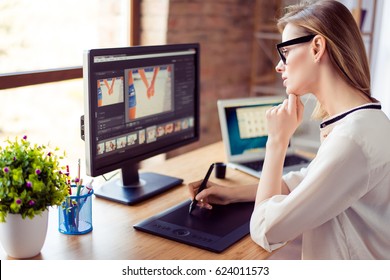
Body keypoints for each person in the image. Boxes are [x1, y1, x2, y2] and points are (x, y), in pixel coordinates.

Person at [188, 0, 390, 259]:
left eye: (285, 51)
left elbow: (265, 229)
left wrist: (277, 141)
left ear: (317, 47)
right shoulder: (365, 122)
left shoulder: (352, 140)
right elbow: (309, 181)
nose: (278, 65)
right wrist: (232, 194)